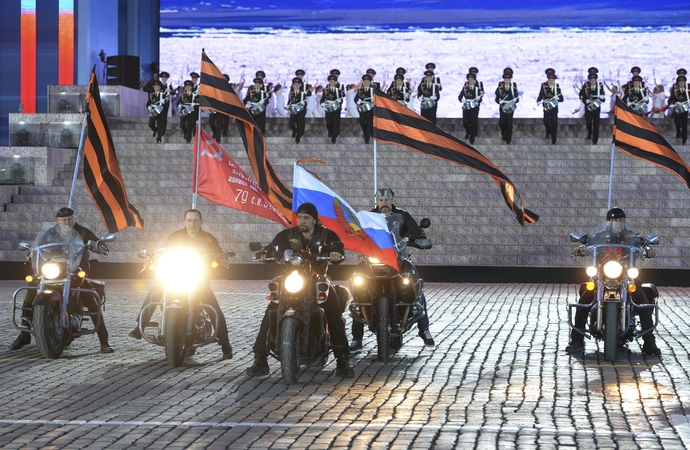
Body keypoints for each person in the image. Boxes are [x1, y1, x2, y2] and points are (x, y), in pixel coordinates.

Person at [246, 203, 354, 378]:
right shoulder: (287, 235)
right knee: (271, 309)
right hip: (291, 279)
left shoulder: (326, 235)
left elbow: (338, 249)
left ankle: (343, 361)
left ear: (314, 220)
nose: (302, 221)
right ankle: (260, 359)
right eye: (300, 217)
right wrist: (265, 252)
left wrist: (335, 253)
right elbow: (273, 246)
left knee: (334, 312)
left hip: (317, 279)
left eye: (306, 218)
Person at [128, 209, 233, 359]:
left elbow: (217, 253)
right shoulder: (175, 237)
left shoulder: (209, 239)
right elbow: (162, 252)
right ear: (184, 222)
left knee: (215, 310)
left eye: (195, 220)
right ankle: (140, 326)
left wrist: (221, 258)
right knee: (154, 292)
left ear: (201, 222)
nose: (192, 223)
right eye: (189, 220)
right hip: (175, 277)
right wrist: (153, 259)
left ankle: (226, 346)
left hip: (198, 281)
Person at [9, 207, 113, 353]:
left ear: (74, 219)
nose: (66, 222)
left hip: (74, 271)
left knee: (91, 298)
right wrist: (32, 253)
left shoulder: (83, 232)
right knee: (32, 289)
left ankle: (104, 341)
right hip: (53, 270)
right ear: (57, 220)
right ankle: (24, 333)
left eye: (69, 219)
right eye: (63, 220)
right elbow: (39, 246)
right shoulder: (51, 233)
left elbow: (103, 247)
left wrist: (98, 246)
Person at [566, 207, 661, 356]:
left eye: (620, 220)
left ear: (624, 221)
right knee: (584, 299)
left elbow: (642, 244)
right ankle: (576, 340)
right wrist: (581, 248)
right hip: (603, 274)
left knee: (642, 301)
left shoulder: (631, 236)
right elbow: (589, 243)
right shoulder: (600, 236)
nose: (617, 223)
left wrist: (647, 250)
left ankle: (649, 342)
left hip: (626, 274)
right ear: (609, 221)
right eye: (614, 220)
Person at [350, 188, 435, 351]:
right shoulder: (368, 216)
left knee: (416, 285)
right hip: (374, 259)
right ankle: (356, 338)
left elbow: (416, 231)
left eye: (387, 200)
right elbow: (357, 231)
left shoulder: (402, 215)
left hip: (399, 258)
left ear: (392, 201)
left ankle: (424, 330)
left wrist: (420, 239)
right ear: (377, 201)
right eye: (381, 200)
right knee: (358, 288)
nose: (384, 203)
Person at [537, 68, 564, 145]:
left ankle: (554, 138)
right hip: (546, 106)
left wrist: (558, 98)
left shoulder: (557, 86)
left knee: (554, 122)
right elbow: (541, 94)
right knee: (546, 121)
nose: (551, 81)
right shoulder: (543, 85)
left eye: (553, 80)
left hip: (554, 107)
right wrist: (538, 100)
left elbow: (561, 98)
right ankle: (548, 130)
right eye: (550, 80)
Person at [579, 70, 605, 144]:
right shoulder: (586, 85)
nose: (592, 81)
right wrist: (585, 100)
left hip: (596, 107)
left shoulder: (600, 85)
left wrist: (602, 98)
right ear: (589, 80)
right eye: (591, 80)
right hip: (588, 107)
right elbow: (582, 95)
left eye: (594, 80)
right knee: (589, 122)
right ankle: (589, 132)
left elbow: (603, 96)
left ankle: (595, 140)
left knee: (596, 123)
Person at [495, 68, 519, 145]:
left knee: (509, 122)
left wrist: (515, 99)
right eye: (506, 79)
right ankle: (503, 133)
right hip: (503, 106)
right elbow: (497, 95)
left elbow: (516, 96)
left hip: (510, 105)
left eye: (508, 79)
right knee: (502, 122)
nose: (507, 81)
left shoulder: (513, 85)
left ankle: (508, 138)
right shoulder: (500, 85)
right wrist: (499, 101)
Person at [458, 72, 483, 144]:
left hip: (474, 108)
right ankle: (468, 131)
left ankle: (472, 138)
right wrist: (462, 100)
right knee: (465, 122)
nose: (470, 81)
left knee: (473, 122)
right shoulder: (465, 88)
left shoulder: (477, 89)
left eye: (472, 79)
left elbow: (480, 98)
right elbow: (460, 97)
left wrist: (478, 100)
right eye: (469, 79)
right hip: (466, 107)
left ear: (474, 81)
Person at [321, 74, 344, 144]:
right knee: (328, 122)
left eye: (333, 81)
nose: (332, 82)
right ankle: (330, 132)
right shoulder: (325, 90)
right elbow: (322, 98)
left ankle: (334, 138)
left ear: (335, 82)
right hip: (328, 107)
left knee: (335, 122)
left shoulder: (338, 90)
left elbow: (341, 99)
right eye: (330, 81)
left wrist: (340, 101)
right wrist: (321, 103)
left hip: (336, 108)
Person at [669, 75, 689, 145]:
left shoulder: (688, 90)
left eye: (683, 82)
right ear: (678, 83)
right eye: (680, 82)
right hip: (677, 108)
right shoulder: (675, 91)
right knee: (677, 123)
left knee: (684, 124)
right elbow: (671, 98)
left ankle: (684, 140)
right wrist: (669, 104)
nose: (682, 83)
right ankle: (678, 131)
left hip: (685, 109)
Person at [287, 77, 308, 143]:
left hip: (300, 111)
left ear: (300, 85)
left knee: (300, 125)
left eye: (297, 85)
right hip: (293, 111)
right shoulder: (291, 93)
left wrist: (303, 103)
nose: (296, 86)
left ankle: (298, 138)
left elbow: (305, 102)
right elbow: (290, 101)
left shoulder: (302, 94)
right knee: (291, 124)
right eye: (294, 84)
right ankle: (294, 130)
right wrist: (288, 105)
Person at [356, 74, 375, 143]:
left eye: (367, 81)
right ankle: (366, 132)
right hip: (362, 108)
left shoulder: (373, 90)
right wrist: (358, 102)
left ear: (370, 82)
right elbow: (356, 98)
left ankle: (367, 139)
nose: (366, 82)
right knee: (362, 122)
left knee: (369, 122)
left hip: (370, 108)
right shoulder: (360, 90)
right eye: (365, 81)